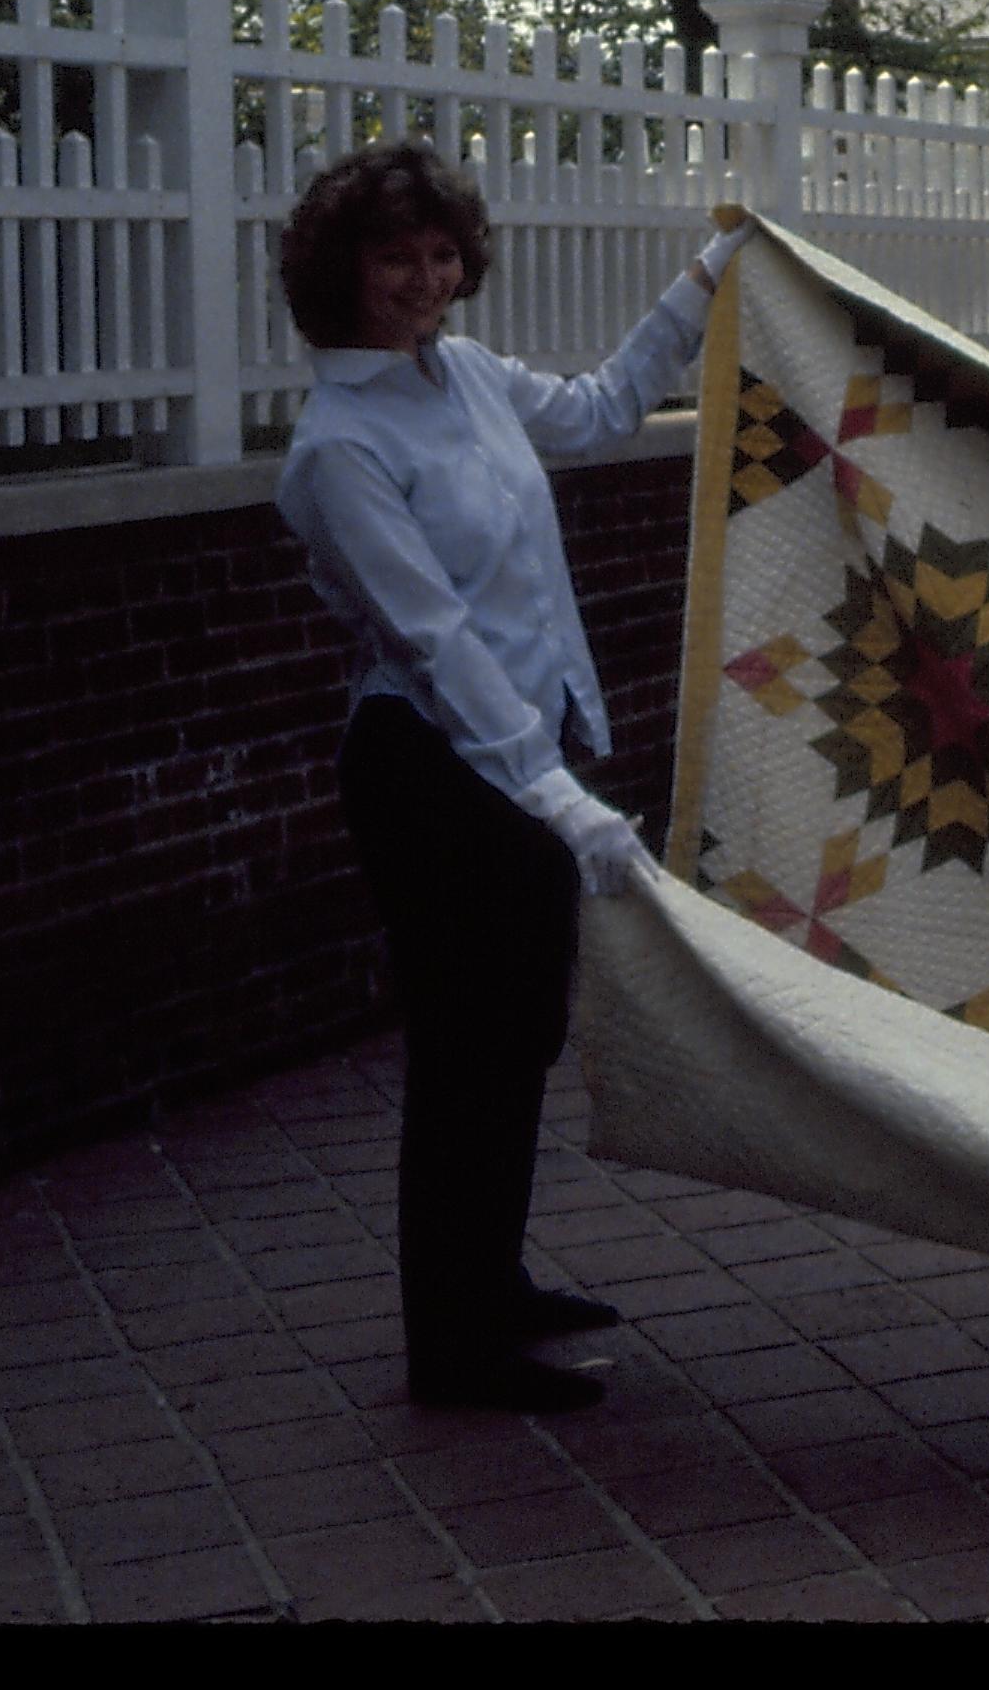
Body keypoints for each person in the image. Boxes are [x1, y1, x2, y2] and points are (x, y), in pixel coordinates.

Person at [275, 142, 751, 1412]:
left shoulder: (470, 377)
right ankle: (452, 1343)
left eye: (439, 254)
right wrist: (554, 796)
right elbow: (433, 641)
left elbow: (599, 410)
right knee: (465, 1049)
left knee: (519, 1033)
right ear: (343, 271)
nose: (424, 280)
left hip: (519, 762)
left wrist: (704, 282)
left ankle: (492, 1282)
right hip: (434, 774)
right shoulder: (339, 446)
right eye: (395, 258)